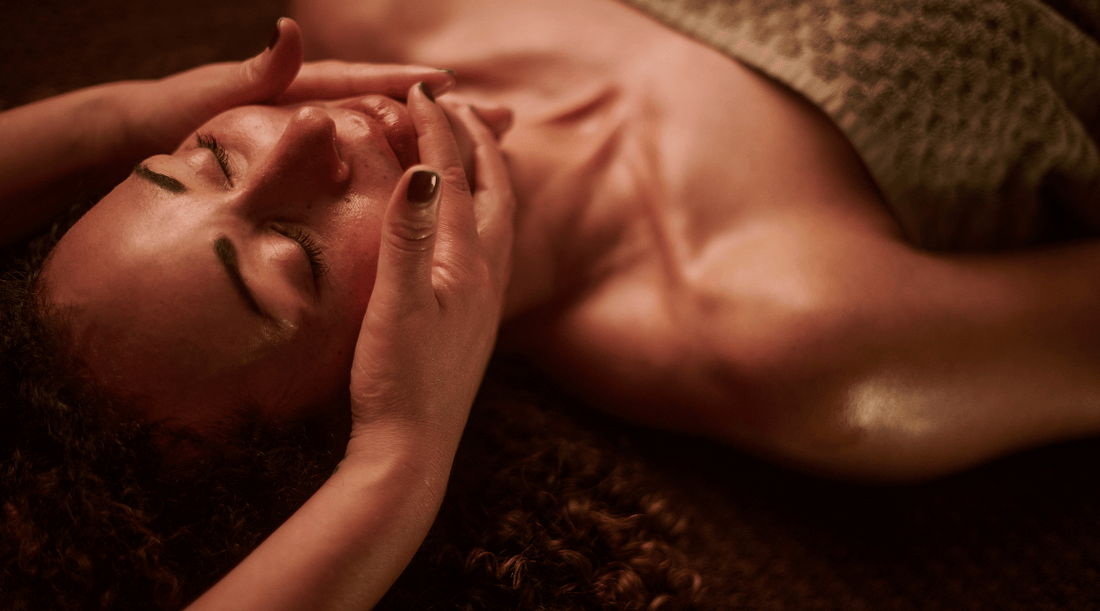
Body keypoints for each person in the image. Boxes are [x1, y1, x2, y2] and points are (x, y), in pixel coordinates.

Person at [2, 0, 1099, 607]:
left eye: (192, 163)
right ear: (382, 379)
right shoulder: (796, 344)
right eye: (294, 257)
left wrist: (118, 114)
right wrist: (399, 461)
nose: (295, 142)